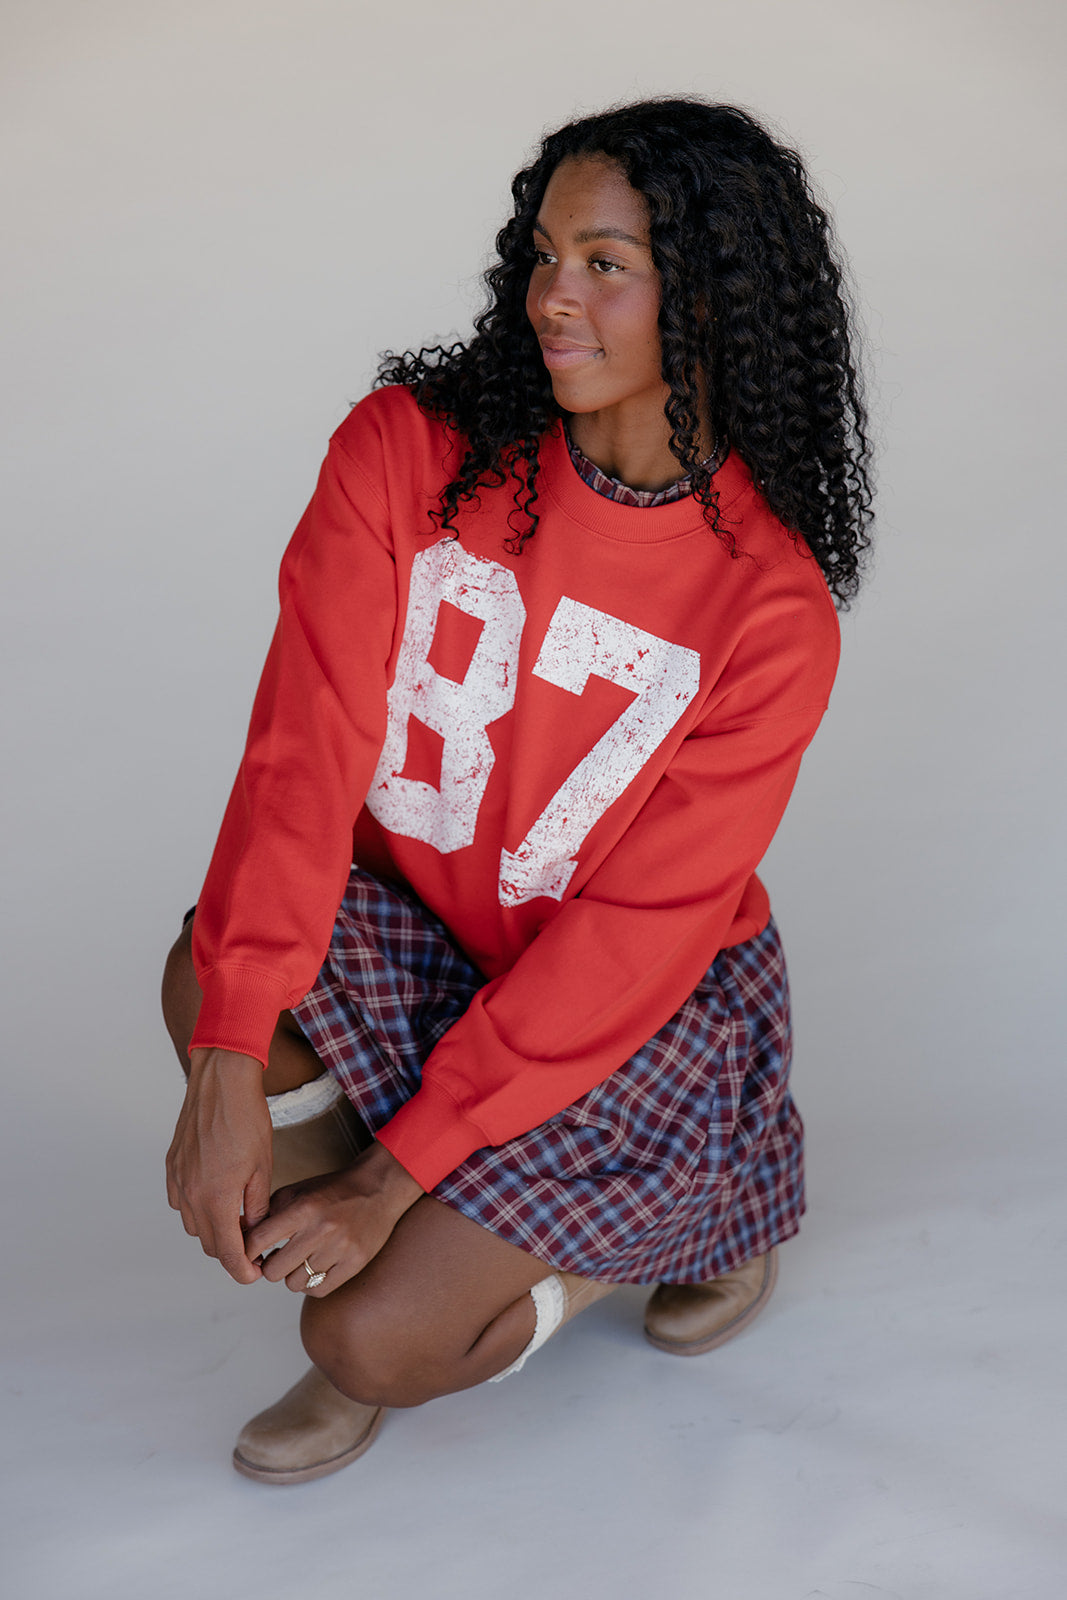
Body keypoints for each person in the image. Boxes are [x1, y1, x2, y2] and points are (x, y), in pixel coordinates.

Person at [163, 96, 872, 1484]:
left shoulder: (773, 612)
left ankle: (694, 1212)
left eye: (606, 264)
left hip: (626, 1013)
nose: (554, 297)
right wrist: (231, 1059)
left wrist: (386, 1181)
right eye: (544, 253)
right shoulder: (405, 454)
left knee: (371, 1346)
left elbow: (626, 951)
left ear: (714, 300)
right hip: (434, 939)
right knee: (208, 982)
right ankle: (422, 1213)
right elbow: (299, 761)